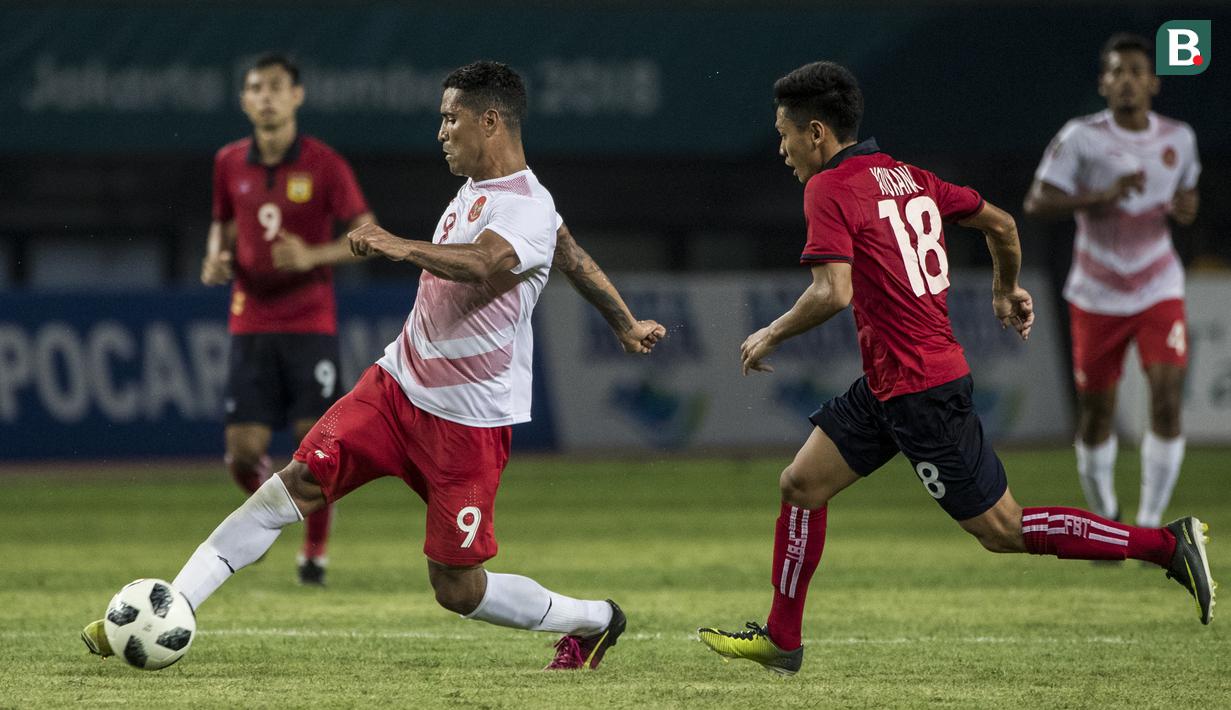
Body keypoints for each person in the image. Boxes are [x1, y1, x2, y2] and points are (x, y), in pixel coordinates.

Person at [82, 60, 665, 671]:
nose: (440, 132)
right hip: (395, 388)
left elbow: (483, 263)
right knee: (296, 482)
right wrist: (624, 322)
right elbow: (570, 253)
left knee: (457, 588)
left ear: (490, 121)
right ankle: (168, 607)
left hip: (467, 425)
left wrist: (397, 244)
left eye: (451, 119)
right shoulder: (485, 190)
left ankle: (595, 618)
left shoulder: (526, 206)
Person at [696, 60, 1214, 676]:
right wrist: (1006, 287)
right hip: (889, 384)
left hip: (922, 390)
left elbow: (833, 291)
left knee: (1003, 528)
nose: (781, 150)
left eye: (784, 135)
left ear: (816, 132)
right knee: (801, 485)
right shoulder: (910, 177)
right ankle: (783, 639)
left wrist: (770, 333)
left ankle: (1166, 545)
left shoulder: (828, 188)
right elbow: (1002, 224)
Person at [201, 53, 378, 586]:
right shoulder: (228, 161)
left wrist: (312, 256)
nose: (267, 97)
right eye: (256, 88)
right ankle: (267, 512)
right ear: (244, 100)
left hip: (309, 322)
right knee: (242, 453)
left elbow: (368, 234)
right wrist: (215, 257)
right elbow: (222, 223)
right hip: (250, 321)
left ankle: (313, 555)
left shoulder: (325, 163)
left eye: (276, 87)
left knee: (315, 449)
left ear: (297, 96)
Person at [1024, 33, 1201, 529]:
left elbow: (1186, 199)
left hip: (1158, 284)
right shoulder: (1081, 137)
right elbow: (1037, 202)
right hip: (1097, 291)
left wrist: (1188, 208)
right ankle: (1107, 516)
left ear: (1153, 83)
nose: (1126, 81)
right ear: (1103, 83)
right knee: (1097, 413)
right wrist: (1098, 197)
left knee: (1166, 398)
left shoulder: (1179, 138)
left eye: (1136, 72)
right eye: (1116, 72)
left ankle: (1149, 522)